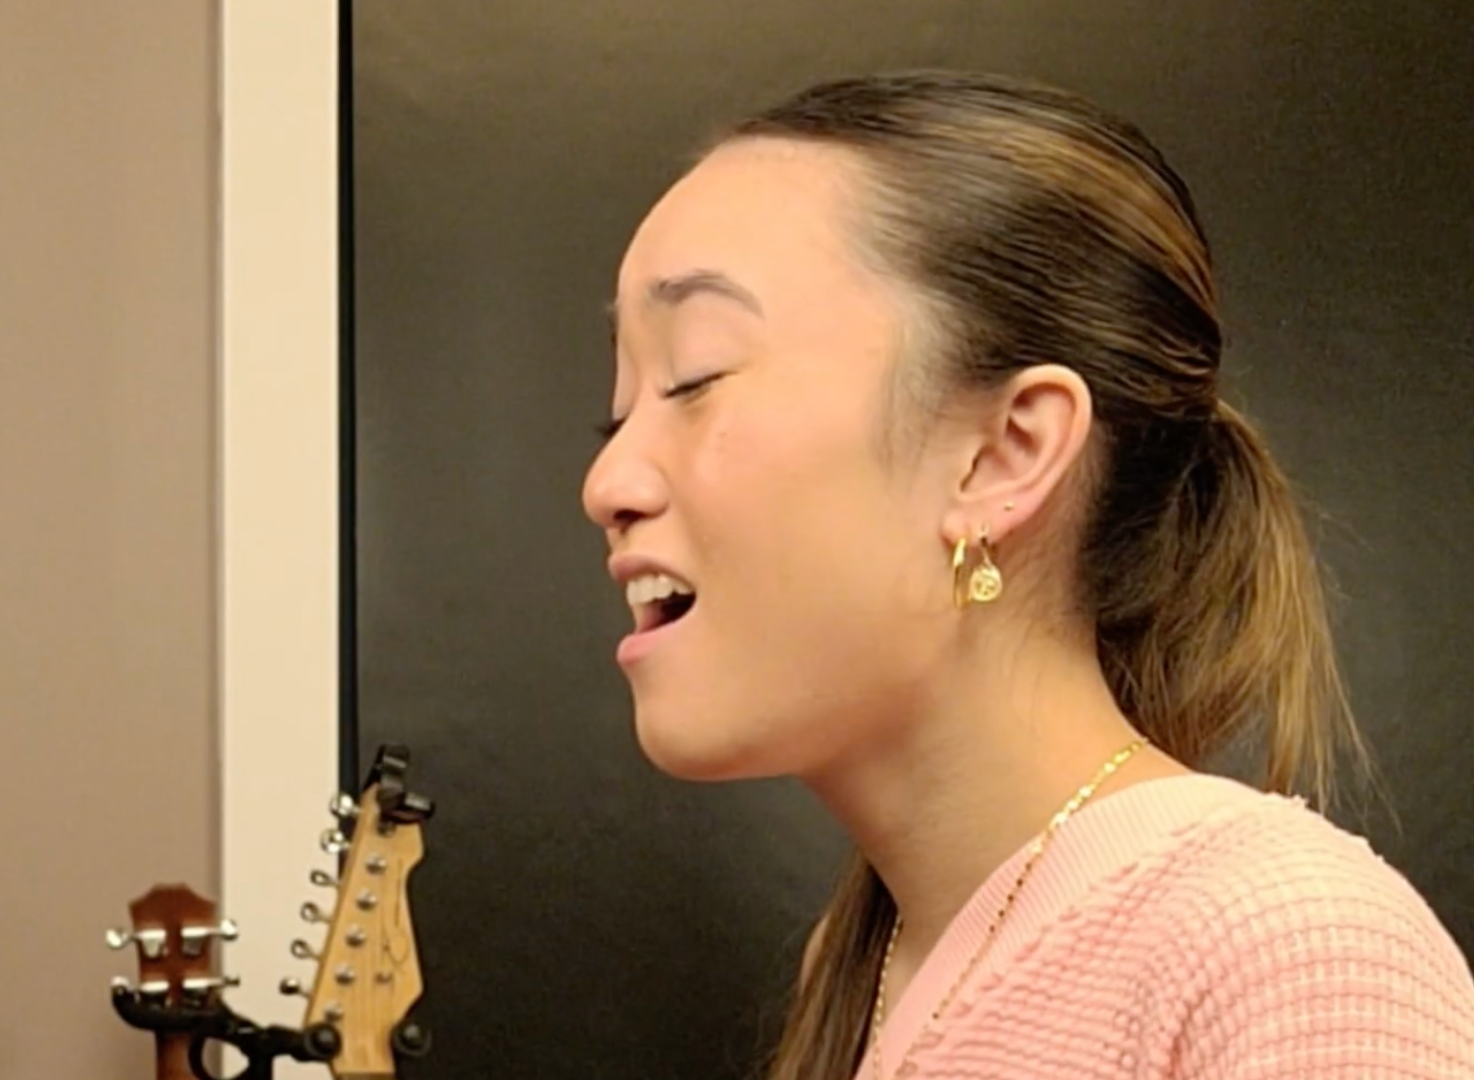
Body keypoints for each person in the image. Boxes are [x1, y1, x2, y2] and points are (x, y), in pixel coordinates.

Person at [581, 70, 1474, 1079]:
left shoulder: (1292, 952)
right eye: (617, 414)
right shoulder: (865, 964)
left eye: (696, 377)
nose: (608, 481)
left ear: (1005, 453)